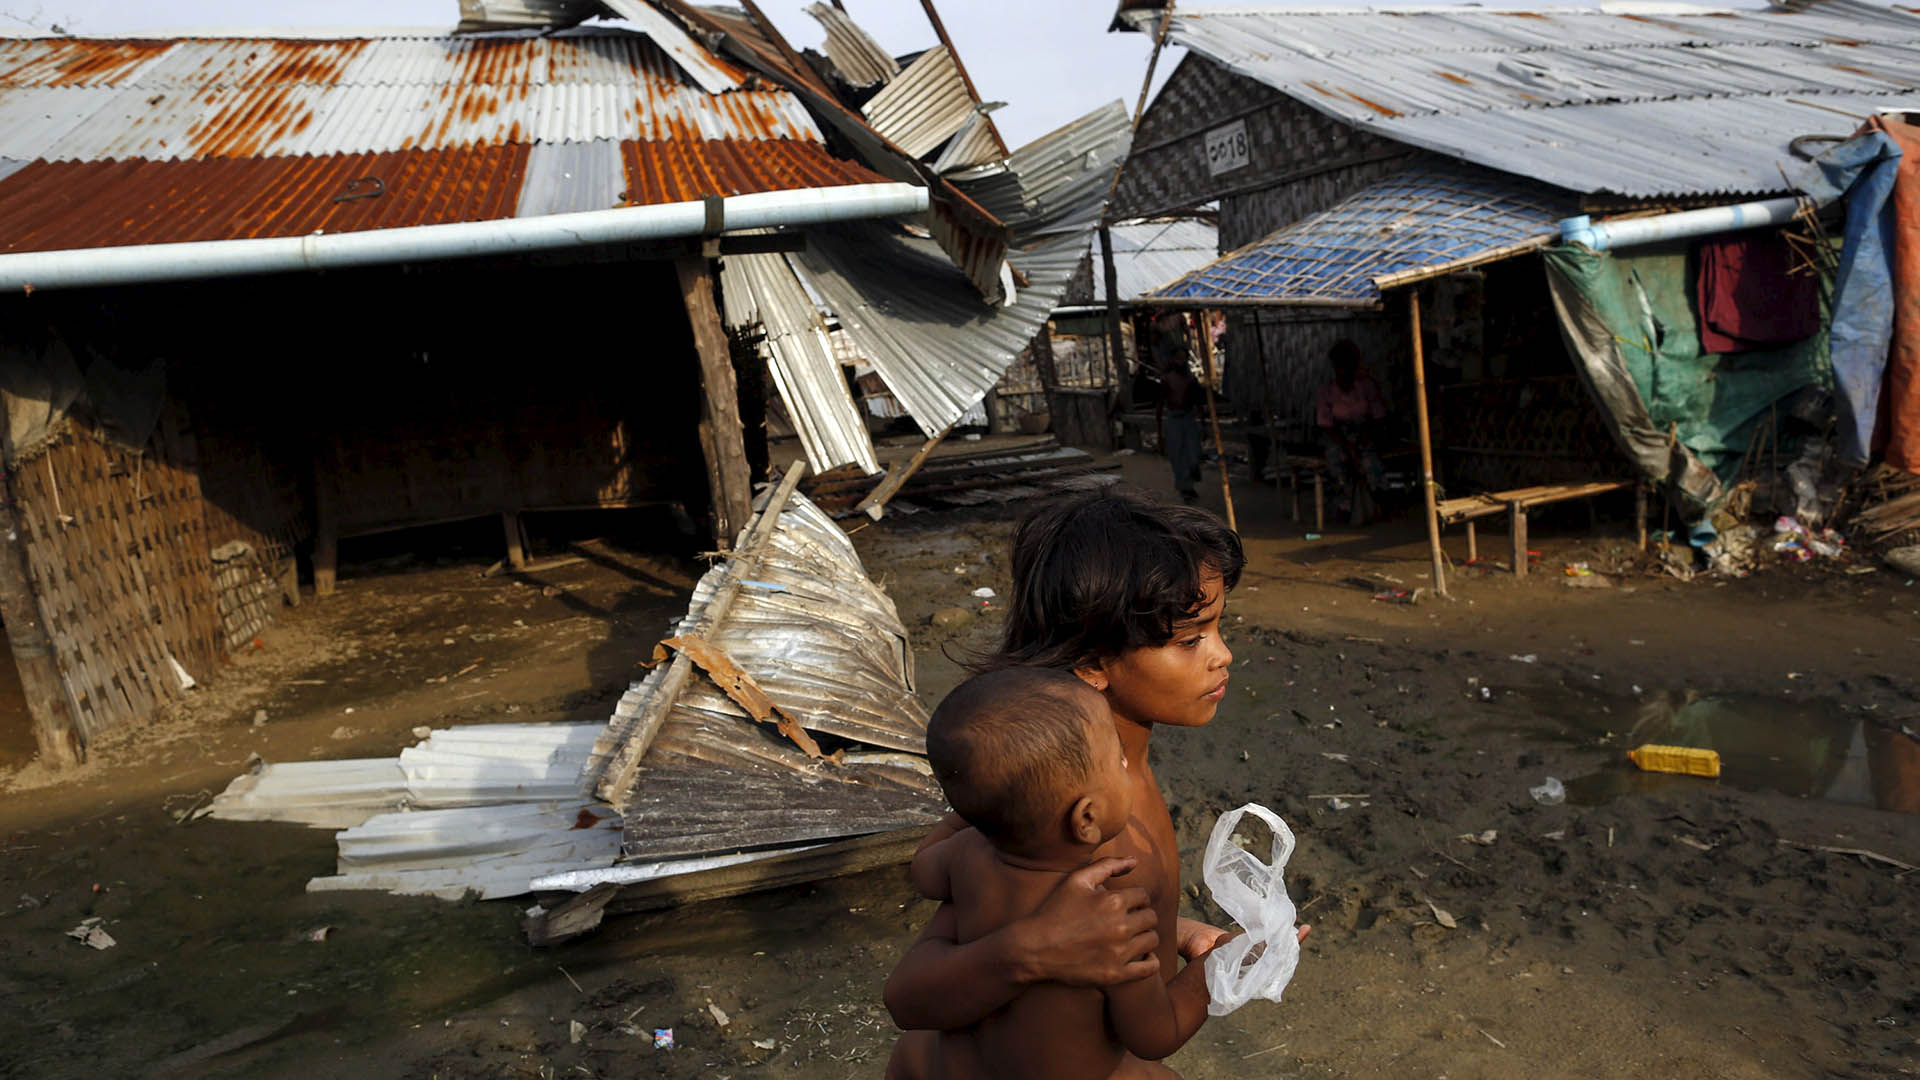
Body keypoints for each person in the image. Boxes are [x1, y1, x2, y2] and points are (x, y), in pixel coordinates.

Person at [882, 490, 1310, 1073]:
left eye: (1216, 628)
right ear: (1091, 664)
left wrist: (1169, 929)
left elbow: (944, 873)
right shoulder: (1085, 828)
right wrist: (1221, 967)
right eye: (1190, 640)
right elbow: (912, 994)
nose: (1223, 655)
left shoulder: (1081, 779)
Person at [889, 668, 1219, 1080]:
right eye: (1117, 758)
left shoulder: (963, 855)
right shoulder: (1106, 922)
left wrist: (987, 804)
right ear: (1087, 818)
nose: (1124, 761)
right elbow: (1156, 1034)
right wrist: (1215, 967)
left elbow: (924, 871)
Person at [1315, 340, 1388, 524]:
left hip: (1365, 435)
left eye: (1348, 366)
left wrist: (1360, 443)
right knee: (1337, 462)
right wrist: (1348, 447)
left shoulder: (1367, 387)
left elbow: (1378, 418)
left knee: (1370, 462)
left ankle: (1378, 502)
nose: (1344, 371)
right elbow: (1326, 425)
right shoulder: (1327, 392)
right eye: (1340, 367)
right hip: (1337, 438)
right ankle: (1344, 506)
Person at [1150, 314, 1204, 503]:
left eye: (1184, 359)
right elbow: (1159, 405)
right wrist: (1159, 432)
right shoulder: (1167, 380)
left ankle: (1192, 475)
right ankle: (1185, 488)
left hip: (1189, 418)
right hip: (1173, 418)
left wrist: (1203, 423)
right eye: (1178, 359)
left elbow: (1199, 403)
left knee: (1193, 454)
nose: (1181, 362)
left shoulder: (1191, 380)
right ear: (1173, 360)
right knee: (1178, 455)